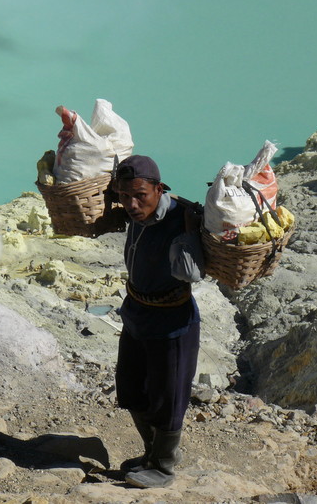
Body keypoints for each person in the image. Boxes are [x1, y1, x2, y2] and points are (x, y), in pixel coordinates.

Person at [112, 154, 205, 488]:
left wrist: (189, 235)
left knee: (168, 395)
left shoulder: (182, 218)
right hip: (136, 312)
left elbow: (193, 273)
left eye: (140, 195)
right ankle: (153, 453)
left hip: (172, 321)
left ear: (159, 188)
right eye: (124, 196)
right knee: (131, 387)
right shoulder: (135, 213)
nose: (132, 204)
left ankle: (164, 467)